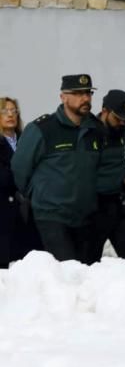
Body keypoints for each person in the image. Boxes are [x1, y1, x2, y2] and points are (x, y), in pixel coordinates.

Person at [11, 75, 104, 263]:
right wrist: (39, 195)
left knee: (86, 274)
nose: (85, 98)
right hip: (52, 215)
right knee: (67, 271)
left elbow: (100, 167)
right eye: (77, 94)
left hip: (85, 217)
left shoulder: (95, 129)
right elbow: (19, 169)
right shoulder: (42, 129)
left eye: (88, 93)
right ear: (63, 97)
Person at [90, 89, 125, 261]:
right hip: (95, 207)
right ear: (104, 111)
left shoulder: (123, 129)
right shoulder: (89, 130)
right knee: (87, 266)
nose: (122, 122)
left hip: (119, 203)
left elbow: (120, 157)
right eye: (118, 118)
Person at [0, 96, 41, 266]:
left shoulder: (26, 140)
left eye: (13, 111)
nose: (10, 115)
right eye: (5, 111)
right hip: (4, 209)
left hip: (29, 206)